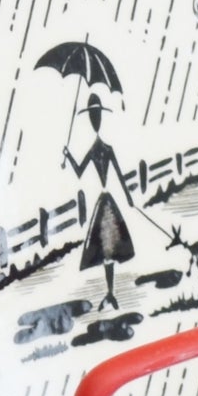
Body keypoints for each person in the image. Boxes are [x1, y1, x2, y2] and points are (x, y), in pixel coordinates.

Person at [63, 93, 136, 309]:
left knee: (109, 250)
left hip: (107, 204)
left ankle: (111, 293)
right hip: (105, 203)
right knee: (106, 251)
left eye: (96, 116)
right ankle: (110, 293)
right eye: (94, 117)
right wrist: (68, 156)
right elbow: (80, 172)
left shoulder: (103, 149)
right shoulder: (97, 150)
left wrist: (129, 197)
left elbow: (119, 175)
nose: (95, 120)